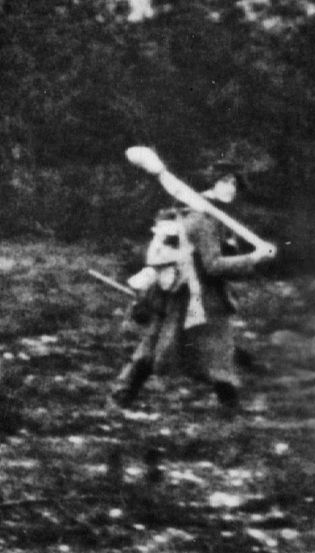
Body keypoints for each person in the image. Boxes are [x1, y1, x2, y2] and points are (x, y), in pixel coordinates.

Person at [111, 173, 277, 416]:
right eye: (225, 181)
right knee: (213, 350)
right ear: (209, 184)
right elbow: (213, 266)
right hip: (194, 295)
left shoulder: (211, 217)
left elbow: (222, 263)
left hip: (187, 292)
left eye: (234, 184)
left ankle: (120, 398)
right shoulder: (202, 220)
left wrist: (251, 261)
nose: (231, 188)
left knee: (161, 345)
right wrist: (253, 258)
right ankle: (230, 410)